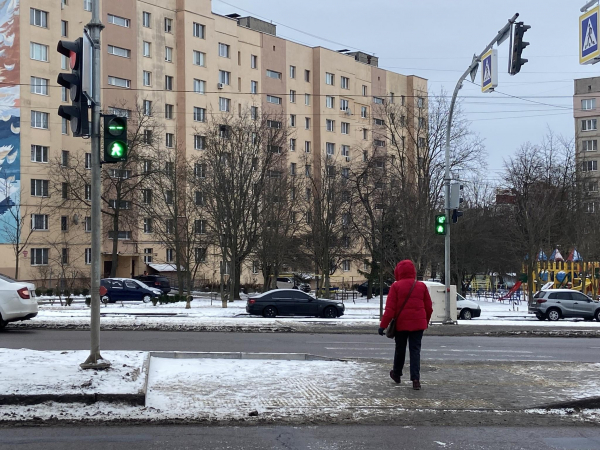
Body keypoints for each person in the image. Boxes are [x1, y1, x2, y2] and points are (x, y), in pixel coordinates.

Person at [378, 260, 433, 390]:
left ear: (398, 272)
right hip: (418, 325)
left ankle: (397, 374)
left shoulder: (396, 287)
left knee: (400, 350)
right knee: (415, 351)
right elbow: (429, 308)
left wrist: (383, 325)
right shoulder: (421, 286)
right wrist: (425, 322)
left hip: (401, 325)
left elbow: (390, 309)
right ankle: (416, 379)